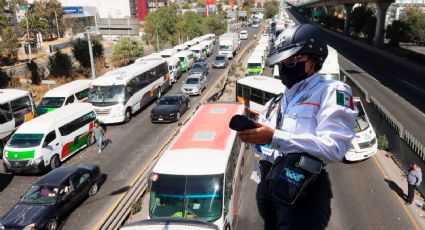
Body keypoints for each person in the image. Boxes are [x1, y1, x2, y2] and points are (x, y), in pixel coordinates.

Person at [238, 24, 358, 230]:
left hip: (303, 189)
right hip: (271, 183)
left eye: (292, 60)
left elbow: (334, 147)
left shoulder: (331, 91)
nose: (285, 66)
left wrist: (274, 137)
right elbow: (268, 140)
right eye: (281, 62)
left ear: (314, 59)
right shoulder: (279, 99)